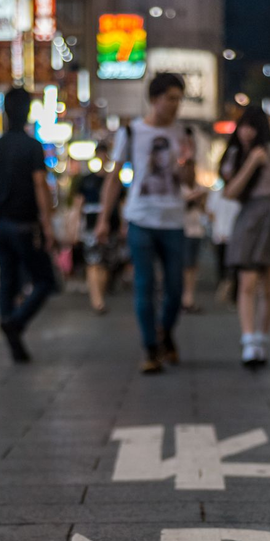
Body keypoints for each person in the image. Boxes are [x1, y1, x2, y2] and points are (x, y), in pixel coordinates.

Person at [96, 72, 192, 374]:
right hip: (140, 217)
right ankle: (151, 348)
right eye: (170, 98)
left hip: (174, 218)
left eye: (179, 99)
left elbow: (190, 180)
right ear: (154, 99)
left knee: (175, 288)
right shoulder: (132, 132)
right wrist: (103, 219)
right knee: (144, 284)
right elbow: (114, 178)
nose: (176, 105)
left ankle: (165, 331)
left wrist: (186, 162)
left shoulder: (184, 134)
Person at [0, 87, 56, 363]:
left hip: (1, 224)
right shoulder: (32, 146)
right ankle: (16, 322)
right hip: (25, 225)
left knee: (7, 281)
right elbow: (39, 185)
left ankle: (10, 326)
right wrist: (47, 225)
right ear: (27, 111)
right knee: (45, 281)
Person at [219, 105, 270, 367]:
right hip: (248, 218)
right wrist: (250, 163)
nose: (247, 132)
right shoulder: (234, 155)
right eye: (244, 126)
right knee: (246, 284)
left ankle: (262, 340)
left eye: (253, 127)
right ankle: (248, 341)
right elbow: (230, 192)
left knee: (269, 288)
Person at [72, 143, 123, 315]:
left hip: (112, 225)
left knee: (106, 262)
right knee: (93, 261)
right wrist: (75, 226)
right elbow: (78, 204)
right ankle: (97, 300)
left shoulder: (115, 180)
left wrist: (123, 225)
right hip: (91, 226)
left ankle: (99, 295)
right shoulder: (86, 180)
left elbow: (121, 204)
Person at [181, 157, 208, 313]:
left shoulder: (197, 187)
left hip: (196, 231)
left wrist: (201, 199)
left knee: (192, 266)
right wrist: (193, 198)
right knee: (185, 266)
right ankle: (185, 298)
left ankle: (189, 297)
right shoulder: (180, 188)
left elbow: (204, 210)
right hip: (183, 231)